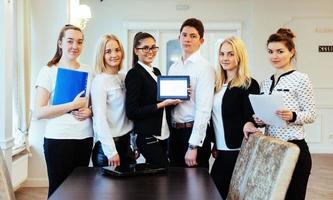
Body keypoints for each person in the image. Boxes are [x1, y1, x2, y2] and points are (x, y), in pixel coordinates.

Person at [243, 28, 316, 200]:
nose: (274, 56)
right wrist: (259, 120)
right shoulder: (265, 82)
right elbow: (266, 118)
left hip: (294, 149)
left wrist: (292, 115)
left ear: (291, 52)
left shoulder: (301, 79)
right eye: (270, 51)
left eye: (280, 51)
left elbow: (311, 114)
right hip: (271, 149)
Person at [34, 24, 93, 197]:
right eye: (70, 41)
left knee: (80, 191)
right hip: (58, 139)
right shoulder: (48, 71)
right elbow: (38, 112)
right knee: (59, 191)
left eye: (80, 42)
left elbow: (94, 104)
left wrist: (90, 111)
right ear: (60, 43)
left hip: (84, 137)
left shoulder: (88, 70)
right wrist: (71, 105)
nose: (75, 46)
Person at [210, 36, 260, 199]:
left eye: (230, 54)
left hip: (237, 149)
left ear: (239, 56)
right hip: (221, 149)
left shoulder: (248, 84)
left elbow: (250, 116)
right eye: (222, 54)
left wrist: (248, 123)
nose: (225, 58)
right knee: (216, 192)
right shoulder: (216, 84)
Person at [125, 32, 181, 167]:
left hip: (163, 133)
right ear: (136, 50)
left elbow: (161, 101)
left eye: (153, 47)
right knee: (164, 170)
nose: (150, 51)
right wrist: (162, 104)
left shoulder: (156, 72)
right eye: (145, 48)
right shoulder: (134, 74)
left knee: (157, 177)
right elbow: (132, 111)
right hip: (146, 135)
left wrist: (178, 95)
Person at [168, 18, 215, 168]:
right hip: (174, 133)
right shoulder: (174, 67)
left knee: (196, 188)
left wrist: (193, 146)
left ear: (201, 40)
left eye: (193, 36)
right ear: (179, 38)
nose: (187, 39)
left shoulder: (205, 68)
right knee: (175, 186)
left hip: (193, 134)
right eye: (184, 35)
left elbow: (204, 110)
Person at [91, 34, 136, 167]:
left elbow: (130, 113)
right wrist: (111, 152)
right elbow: (100, 119)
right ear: (101, 55)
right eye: (108, 51)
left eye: (117, 50)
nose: (114, 54)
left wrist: (134, 143)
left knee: (129, 188)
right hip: (108, 149)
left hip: (126, 145)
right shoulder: (100, 81)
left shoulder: (123, 77)